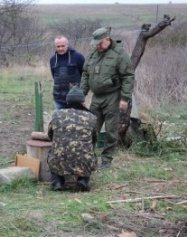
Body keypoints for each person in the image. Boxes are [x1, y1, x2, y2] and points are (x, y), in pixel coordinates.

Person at [80, 27, 135, 169]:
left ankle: (106, 159)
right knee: (91, 128)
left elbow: (128, 77)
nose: (97, 46)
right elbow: (86, 74)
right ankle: (88, 157)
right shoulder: (93, 54)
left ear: (107, 39)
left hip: (112, 96)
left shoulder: (119, 54)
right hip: (96, 97)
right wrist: (82, 94)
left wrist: (125, 98)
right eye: (95, 44)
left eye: (99, 43)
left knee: (111, 130)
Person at [47, 86, 97, 192]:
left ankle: (57, 181)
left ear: (67, 101)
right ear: (82, 101)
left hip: (59, 159)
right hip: (84, 160)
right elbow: (94, 139)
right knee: (90, 153)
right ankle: (83, 180)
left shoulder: (56, 114)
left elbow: (50, 135)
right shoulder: (91, 117)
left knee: (53, 153)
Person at [50, 35, 85, 109]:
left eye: (63, 46)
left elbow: (85, 76)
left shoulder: (78, 57)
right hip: (58, 100)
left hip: (75, 100)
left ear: (67, 45)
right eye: (58, 46)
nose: (60, 48)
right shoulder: (52, 60)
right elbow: (54, 77)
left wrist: (81, 95)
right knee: (60, 120)